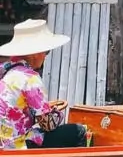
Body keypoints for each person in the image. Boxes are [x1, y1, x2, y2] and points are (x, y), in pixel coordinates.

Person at [0, 19, 89, 149]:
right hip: (16, 144)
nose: (45, 56)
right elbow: (48, 125)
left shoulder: (6, 71)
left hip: (5, 141)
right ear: (36, 53)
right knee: (78, 131)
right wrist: (57, 113)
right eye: (46, 52)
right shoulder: (30, 78)